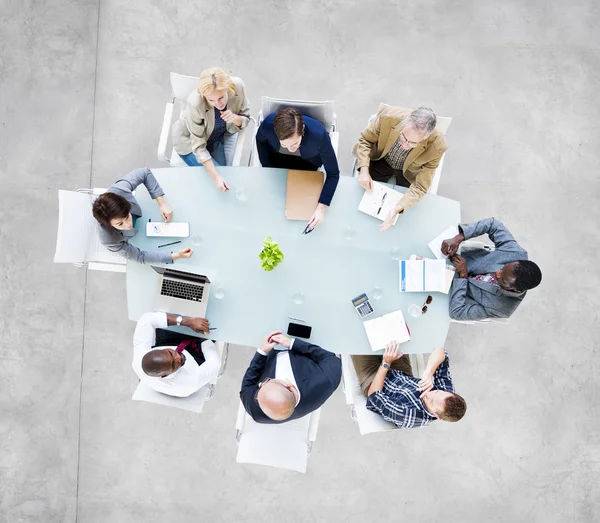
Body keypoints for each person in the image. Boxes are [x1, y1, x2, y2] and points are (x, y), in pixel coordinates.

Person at [352, 106, 448, 232]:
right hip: (381, 160)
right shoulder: (388, 117)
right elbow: (365, 140)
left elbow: (420, 186)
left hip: (409, 172)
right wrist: (364, 170)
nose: (404, 145)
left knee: (405, 220)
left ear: (425, 138)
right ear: (404, 123)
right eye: (403, 136)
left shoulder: (438, 146)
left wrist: (399, 207)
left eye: (413, 143)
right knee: (359, 203)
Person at [441, 217, 543, 321]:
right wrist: (459, 237)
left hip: (449, 290)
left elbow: (457, 313)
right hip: (453, 256)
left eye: (503, 279)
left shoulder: (502, 309)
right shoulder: (515, 253)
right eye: (503, 267)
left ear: (515, 290)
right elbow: (493, 224)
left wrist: (463, 276)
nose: (497, 273)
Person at [255, 108, 340, 229]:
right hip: (277, 161)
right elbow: (260, 140)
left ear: (303, 129)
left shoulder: (319, 136)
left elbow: (333, 174)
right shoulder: (268, 125)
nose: (290, 149)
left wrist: (321, 208)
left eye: (295, 143)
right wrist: (267, 168)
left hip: (308, 166)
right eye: (285, 144)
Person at [171, 67, 251, 192]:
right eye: (211, 100)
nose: (218, 104)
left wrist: (235, 118)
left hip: (216, 138)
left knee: (226, 180)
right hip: (189, 142)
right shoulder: (195, 103)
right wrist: (216, 177)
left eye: (221, 98)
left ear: (227, 88)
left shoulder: (237, 87)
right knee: (220, 181)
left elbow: (246, 117)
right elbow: (199, 147)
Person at [351, 343, 466, 429]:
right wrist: (428, 374)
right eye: (436, 392)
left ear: (436, 416)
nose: (429, 394)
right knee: (393, 332)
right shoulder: (446, 395)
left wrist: (386, 363)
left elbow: (374, 396)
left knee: (359, 341)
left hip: (375, 381)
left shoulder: (408, 415)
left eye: (431, 401)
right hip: (401, 373)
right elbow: (440, 351)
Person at [92, 168, 193, 264]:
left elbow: (144, 172)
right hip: (139, 240)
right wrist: (176, 256)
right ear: (109, 225)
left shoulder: (118, 190)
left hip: (148, 215)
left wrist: (162, 203)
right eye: (120, 224)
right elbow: (140, 256)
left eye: (127, 216)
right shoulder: (109, 240)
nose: (128, 225)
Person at [239, 331, 341, 424]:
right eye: (268, 381)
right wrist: (293, 344)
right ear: (289, 386)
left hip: (273, 346)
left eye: (259, 389)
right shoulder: (325, 382)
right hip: (308, 339)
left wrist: (263, 352)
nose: (260, 384)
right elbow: (329, 358)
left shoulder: (256, 411)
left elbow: (247, 387)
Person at [132, 312, 220, 397]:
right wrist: (203, 336)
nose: (178, 357)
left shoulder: (139, 358)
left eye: (171, 353)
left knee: (168, 311)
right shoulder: (190, 381)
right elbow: (215, 363)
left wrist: (186, 322)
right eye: (174, 364)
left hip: (168, 342)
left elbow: (146, 319)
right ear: (165, 375)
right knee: (212, 320)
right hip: (195, 356)